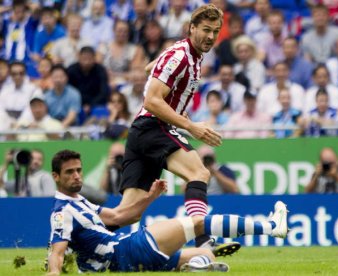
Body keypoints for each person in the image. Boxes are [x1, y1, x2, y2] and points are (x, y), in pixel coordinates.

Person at [117, 4, 240, 256]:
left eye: (216, 31)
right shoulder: (181, 55)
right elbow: (152, 100)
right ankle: (203, 243)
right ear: (191, 28)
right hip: (153, 126)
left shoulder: (187, 55)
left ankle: (67, 245)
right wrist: (190, 126)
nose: (210, 36)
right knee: (199, 172)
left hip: (142, 130)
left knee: (127, 213)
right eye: (205, 30)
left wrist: (164, 66)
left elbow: (148, 68)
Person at [46, 149, 288, 275]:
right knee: (198, 223)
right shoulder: (62, 211)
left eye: (78, 170)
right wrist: (54, 272)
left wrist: (150, 198)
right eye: (69, 172)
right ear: (56, 177)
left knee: (208, 255)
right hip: (127, 250)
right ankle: (271, 228)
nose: (77, 175)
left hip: (125, 262)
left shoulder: (80, 202)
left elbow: (123, 217)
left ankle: (195, 266)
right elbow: (57, 251)